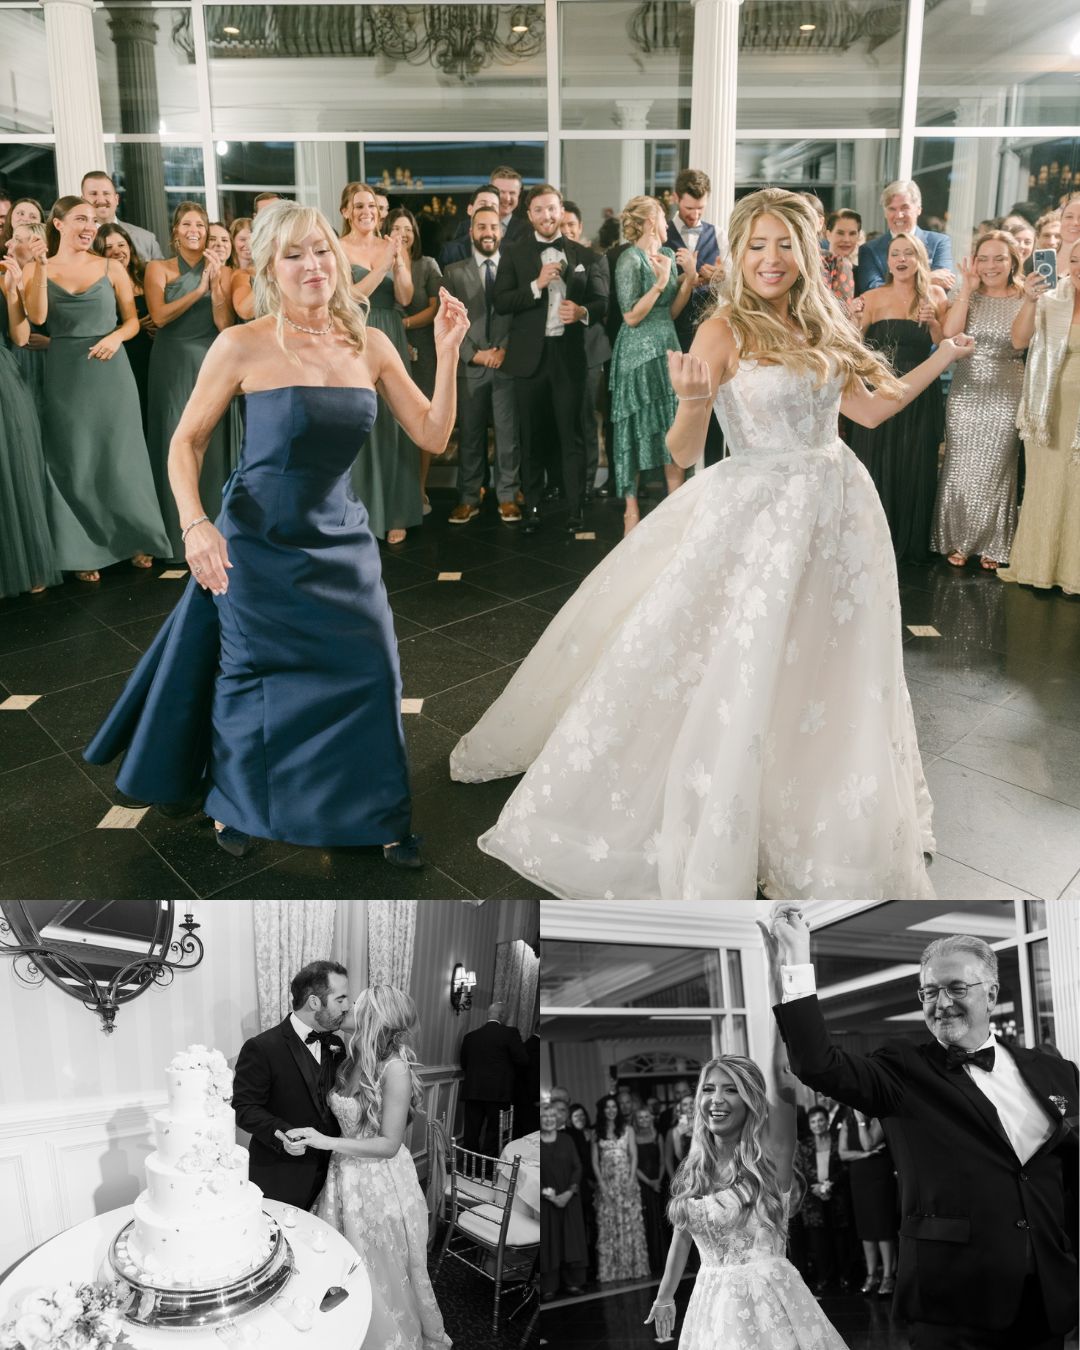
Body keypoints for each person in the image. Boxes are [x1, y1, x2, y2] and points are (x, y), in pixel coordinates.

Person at [450, 188, 975, 900]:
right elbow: (684, 448)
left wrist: (945, 352)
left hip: (837, 511)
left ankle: (810, 805)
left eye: (784, 244)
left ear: (807, 252)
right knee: (741, 657)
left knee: (827, 660)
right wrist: (694, 400)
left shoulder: (822, 322)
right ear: (736, 251)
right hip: (756, 511)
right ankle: (730, 807)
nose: (770, 259)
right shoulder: (724, 327)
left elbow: (873, 409)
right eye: (756, 245)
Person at [83, 201, 469, 862]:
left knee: (370, 674)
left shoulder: (369, 342)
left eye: (320, 249)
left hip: (342, 542)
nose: (314, 265)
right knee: (253, 680)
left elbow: (432, 432)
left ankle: (379, 815)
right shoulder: (242, 344)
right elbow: (185, 443)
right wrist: (195, 525)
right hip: (254, 543)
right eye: (293, 255)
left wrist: (447, 353)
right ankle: (238, 805)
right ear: (268, 266)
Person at [767, 904, 1079, 1350]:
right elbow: (817, 1064)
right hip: (952, 1300)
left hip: (1046, 1296)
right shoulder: (902, 1070)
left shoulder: (1056, 1071)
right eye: (929, 992)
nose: (942, 1003)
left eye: (956, 988)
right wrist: (797, 957)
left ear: (991, 995)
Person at [644, 966, 847, 1350]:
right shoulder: (695, 1165)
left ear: (751, 1099)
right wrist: (666, 1295)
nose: (715, 1100)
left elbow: (781, 1070)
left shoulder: (771, 1156)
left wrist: (778, 970)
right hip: (710, 1306)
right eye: (708, 1089)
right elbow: (683, 1236)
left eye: (730, 1090)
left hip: (769, 1306)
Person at [296, 984, 452, 1350]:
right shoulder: (351, 1060)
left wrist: (327, 1142)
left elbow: (389, 1144)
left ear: (372, 1016)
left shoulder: (394, 1068)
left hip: (380, 1182)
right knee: (342, 1263)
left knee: (377, 1268)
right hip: (343, 1177)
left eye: (356, 1004)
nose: (347, 1007)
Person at [22, 195, 169, 581]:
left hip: (111, 369)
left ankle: (138, 538)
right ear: (58, 224)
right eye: (80, 219)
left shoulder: (111, 267)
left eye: (92, 220)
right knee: (76, 459)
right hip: (65, 373)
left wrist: (117, 338)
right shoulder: (41, 267)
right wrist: (36, 266)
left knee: (121, 457)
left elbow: (133, 321)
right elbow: (37, 317)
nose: (89, 226)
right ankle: (83, 549)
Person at [493, 182, 608, 533]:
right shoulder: (513, 253)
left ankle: (575, 510)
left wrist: (583, 312)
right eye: (539, 210)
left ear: (562, 212)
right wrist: (536, 285)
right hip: (529, 360)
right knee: (531, 438)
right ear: (529, 215)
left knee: (571, 434)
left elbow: (603, 303)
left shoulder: (586, 256)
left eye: (552, 209)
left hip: (568, 357)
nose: (547, 216)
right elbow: (501, 302)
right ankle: (534, 510)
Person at [848, 232, 948, 562]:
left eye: (908, 253)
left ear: (921, 258)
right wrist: (852, 318)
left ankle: (910, 546)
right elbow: (855, 345)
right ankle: (873, 541)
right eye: (895, 254)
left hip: (920, 391)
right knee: (877, 459)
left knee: (915, 462)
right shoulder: (872, 297)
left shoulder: (935, 294)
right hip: (881, 387)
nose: (901, 259)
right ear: (888, 261)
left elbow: (941, 343)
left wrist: (934, 321)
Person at [931, 231, 1025, 569]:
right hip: (966, 388)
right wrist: (968, 289)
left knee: (999, 468)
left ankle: (994, 544)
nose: (990, 265)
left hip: (1008, 387)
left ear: (1013, 260)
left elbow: (1024, 342)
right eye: (983, 258)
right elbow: (949, 335)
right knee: (961, 464)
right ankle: (958, 540)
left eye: (999, 258)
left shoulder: (1026, 296)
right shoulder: (966, 292)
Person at [145, 200, 234, 558]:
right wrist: (198, 289)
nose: (194, 230)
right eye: (187, 224)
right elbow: (160, 317)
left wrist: (214, 290)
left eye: (200, 225)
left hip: (211, 359)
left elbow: (225, 326)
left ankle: (219, 528)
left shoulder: (223, 271)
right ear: (176, 232)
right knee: (174, 436)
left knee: (210, 439)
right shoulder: (158, 268)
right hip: (171, 360)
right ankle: (176, 531)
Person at [232, 960, 350, 1209]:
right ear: (315, 1002)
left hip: (332, 1176)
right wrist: (284, 1135)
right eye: (340, 999)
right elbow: (245, 1109)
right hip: (281, 1176)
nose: (347, 1007)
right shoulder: (262, 1047)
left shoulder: (338, 1046)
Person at [999, 235, 1080, 594]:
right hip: (1048, 413)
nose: (1079, 268)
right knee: (1046, 486)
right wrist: (1031, 301)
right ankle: (1039, 568)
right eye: (1075, 260)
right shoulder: (1052, 298)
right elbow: (1018, 341)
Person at [339, 181, 418, 544]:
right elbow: (349, 297)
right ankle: (362, 510)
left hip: (391, 332)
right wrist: (381, 266)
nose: (366, 211)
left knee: (395, 417)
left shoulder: (391, 245)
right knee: (360, 420)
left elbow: (405, 296)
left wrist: (398, 264)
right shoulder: (338, 249)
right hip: (355, 333)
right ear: (346, 212)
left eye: (371, 205)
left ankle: (397, 510)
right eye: (358, 206)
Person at [609, 194, 694, 533]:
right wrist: (660, 282)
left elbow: (670, 311)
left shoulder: (669, 255)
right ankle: (630, 511)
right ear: (647, 222)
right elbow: (631, 316)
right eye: (662, 215)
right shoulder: (629, 259)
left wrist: (686, 278)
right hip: (636, 354)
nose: (666, 220)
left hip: (667, 346)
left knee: (672, 424)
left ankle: (675, 503)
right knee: (634, 426)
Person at [442, 205, 520, 523]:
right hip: (470, 365)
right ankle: (469, 497)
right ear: (471, 232)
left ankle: (507, 495)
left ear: (501, 232)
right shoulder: (454, 271)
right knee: (470, 435)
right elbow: (447, 322)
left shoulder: (515, 270)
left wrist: (504, 350)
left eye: (493, 227)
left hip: (505, 363)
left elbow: (522, 316)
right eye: (481, 227)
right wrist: (473, 354)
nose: (488, 232)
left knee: (507, 433)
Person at [0, 254, 60, 597]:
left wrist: (13, 293)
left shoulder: (4, 274)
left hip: (4, 377)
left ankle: (20, 565)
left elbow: (20, 336)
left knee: (12, 468)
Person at [388, 207, 442, 515]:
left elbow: (435, 308)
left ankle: (420, 489)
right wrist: (396, 335)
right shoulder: (381, 264)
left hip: (422, 348)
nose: (403, 233)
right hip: (390, 347)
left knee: (422, 418)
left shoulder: (428, 265)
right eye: (396, 228)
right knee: (393, 423)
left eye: (407, 228)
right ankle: (395, 490)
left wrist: (404, 327)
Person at [95, 222, 154, 431]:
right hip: (122, 356)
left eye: (122, 245)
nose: (117, 251)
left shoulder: (146, 274)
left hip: (153, 354)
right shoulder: (98, 283)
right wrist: (131, 325)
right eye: (108, 247)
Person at [856, 179, 955, 294]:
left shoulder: (939, 242)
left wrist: (895, 287)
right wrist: (927, 278)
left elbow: (943, 286)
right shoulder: (869, 250)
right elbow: (873, 290)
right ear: (885, 213)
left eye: (904, 208)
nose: (899, 215)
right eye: (892, 209)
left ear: (918, 209)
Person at [837, 1108, 897, 1298]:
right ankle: (871, 1275)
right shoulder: (847, 1120)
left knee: (882, 1228)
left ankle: (888, 1275)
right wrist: (863, 1156)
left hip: (879, 1177)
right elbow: (842, 1153)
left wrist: (862, 1121)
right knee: (866, 1229)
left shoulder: (878, 1117)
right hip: (859, 1178)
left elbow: (867, 1143)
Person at [591, 1094, 650, 1283]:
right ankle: (612, 1270)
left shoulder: (627, 1129)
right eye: (607, 1107)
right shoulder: (596, 1132)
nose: (611, 1110)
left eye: (614, 1107)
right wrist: (602, 1185)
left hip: (626, 1183)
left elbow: (634, 1156)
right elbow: (594, 1162)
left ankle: (634, 1267)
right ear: (602, 1110)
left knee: (630, 1224)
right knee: (609, 1225)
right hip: (607, 1185)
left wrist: (631, 1180)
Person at [458, 1000, 529, 1154]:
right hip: (498, 1093)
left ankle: (469, 1167)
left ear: (489, 1014)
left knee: (471, 1132)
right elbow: (523, 1060)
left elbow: (464, 1064)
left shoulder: (470, 1036)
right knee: (493, 1133)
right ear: (503, 1015)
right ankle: (487, 1170)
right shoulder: (510, 1033)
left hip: (473, 1091)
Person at [796, 1104, 853, 1294]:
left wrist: (830, 1184)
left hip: (836, 1196)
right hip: (813, 1199)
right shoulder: (804, 1145)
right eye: (813, 1121)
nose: (817, 1124)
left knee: (841, 1240)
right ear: (809, 1125)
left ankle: (845, 1276)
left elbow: (845, 1167)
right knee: (819, 1242)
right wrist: (817, 1187)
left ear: (827, 1122)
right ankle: (823, 1279)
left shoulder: (838, 1141)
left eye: (821, 1120)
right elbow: (801, 1171)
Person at [540, 1100, 588, 1299]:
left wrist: (568, 1193)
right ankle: (549, 1285)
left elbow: (578, 1167)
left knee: (571, 1240)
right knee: (550, 1242)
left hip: (570, 1199)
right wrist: (547, 1194)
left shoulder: (567, 1140)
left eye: (552, 1116)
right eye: (544, 1117)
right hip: (546, 1201)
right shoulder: (536, 1143)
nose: (549, 1120)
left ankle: (574, 1282)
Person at [80, 169, 163, 262]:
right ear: (83, 201)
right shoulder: (76, 243)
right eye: (93, 194)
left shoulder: (147, 239)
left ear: (116, 199)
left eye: (106, 193)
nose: (101, 200)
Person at [633, 1104, 670, 1274]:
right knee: (647, 1222)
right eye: (640, 1117)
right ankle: (652, 1263)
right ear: (636, 1120)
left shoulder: (658, 1136)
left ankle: (664, 1261)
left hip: (658, 1182)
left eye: (646, 1116)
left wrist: (658, 1180)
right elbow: (634, 1164)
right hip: (643, 1183)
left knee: (661, 1222)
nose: (644, 1120)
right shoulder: (633, 1136)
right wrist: (649, 1182)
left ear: (651, 1118)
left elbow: (663, 1161)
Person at [438, 184, 503, 267]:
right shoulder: (450, 252)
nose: (487, 209)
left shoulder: (511, 250)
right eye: (483, 204)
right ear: (470, 209)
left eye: (493, 206)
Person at [823, 208, 859, 312]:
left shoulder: (862, 273)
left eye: (852, 234)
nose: (846, 240)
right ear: (828, 234)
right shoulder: (818, 267)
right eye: (840, 233)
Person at [490, 164, 529, 244]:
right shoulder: (469, 226)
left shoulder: (529, 230)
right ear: (490, 192)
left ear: (519, 195)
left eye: (512, 193)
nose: (507, 198)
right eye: (502, 192)